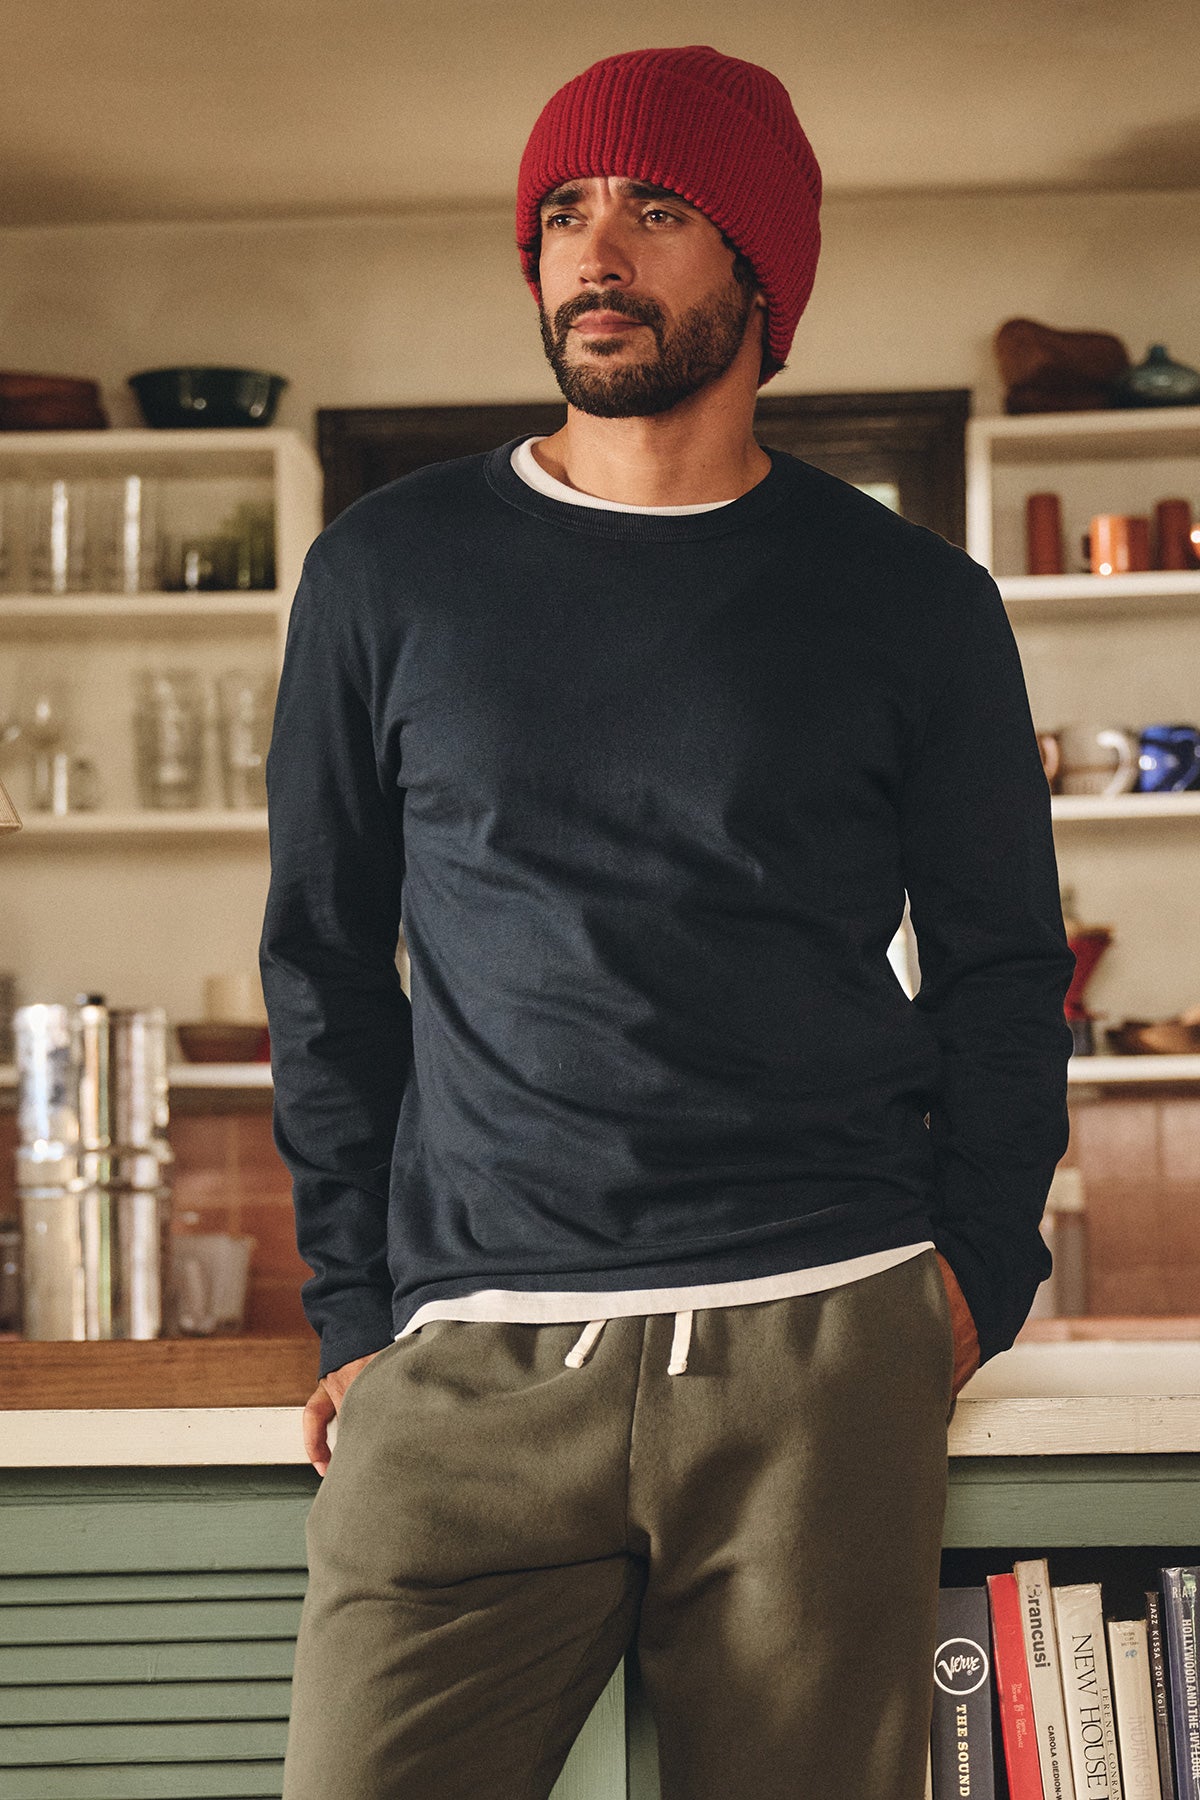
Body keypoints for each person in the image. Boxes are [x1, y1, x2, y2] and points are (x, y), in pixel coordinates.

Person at [260, 44, 1074, 1800]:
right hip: (472, 1363)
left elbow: (1008, 961)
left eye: (656, 207)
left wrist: (976, 1274)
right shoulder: (386, 577)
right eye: (561, 212)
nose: (592, 251)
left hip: (818, 1343)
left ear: (761, 273)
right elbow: (324, 956)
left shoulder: (912, 601)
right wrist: (352, 1309)